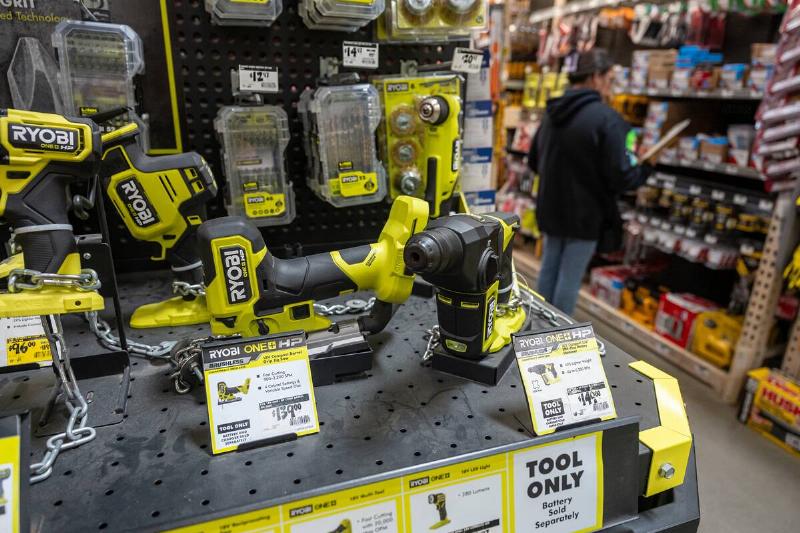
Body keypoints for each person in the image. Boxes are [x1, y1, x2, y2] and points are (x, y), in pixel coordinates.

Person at [528, 48, 653, 315]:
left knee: (548, 273)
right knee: (569, 282)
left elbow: (533, 161)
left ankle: (533, 332)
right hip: (586, 215)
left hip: (551, 208)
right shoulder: (608, 120)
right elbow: (621, 176)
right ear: (596, 78)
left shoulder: (551, 114)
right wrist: (645, 169)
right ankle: (557, 342)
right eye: (609, 79)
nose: (610, 87)